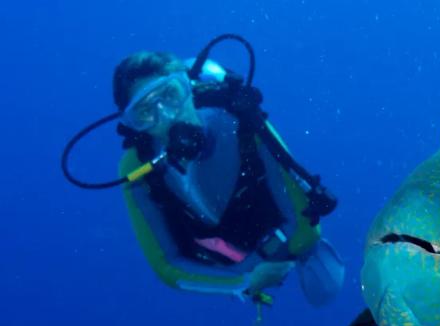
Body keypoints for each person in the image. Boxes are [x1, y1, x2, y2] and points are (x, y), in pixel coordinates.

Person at [110, 50, 344, 311]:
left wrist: (265, 265)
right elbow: (166, 265)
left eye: (170, 95)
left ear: (187, 86)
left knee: (326, 283)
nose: (166, 116)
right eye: (145, 112)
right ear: (132, 124)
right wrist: (243, 281)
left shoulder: (238, 118)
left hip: (279, 237)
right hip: (225, 260)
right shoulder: (137, 167)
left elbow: (305, 223)